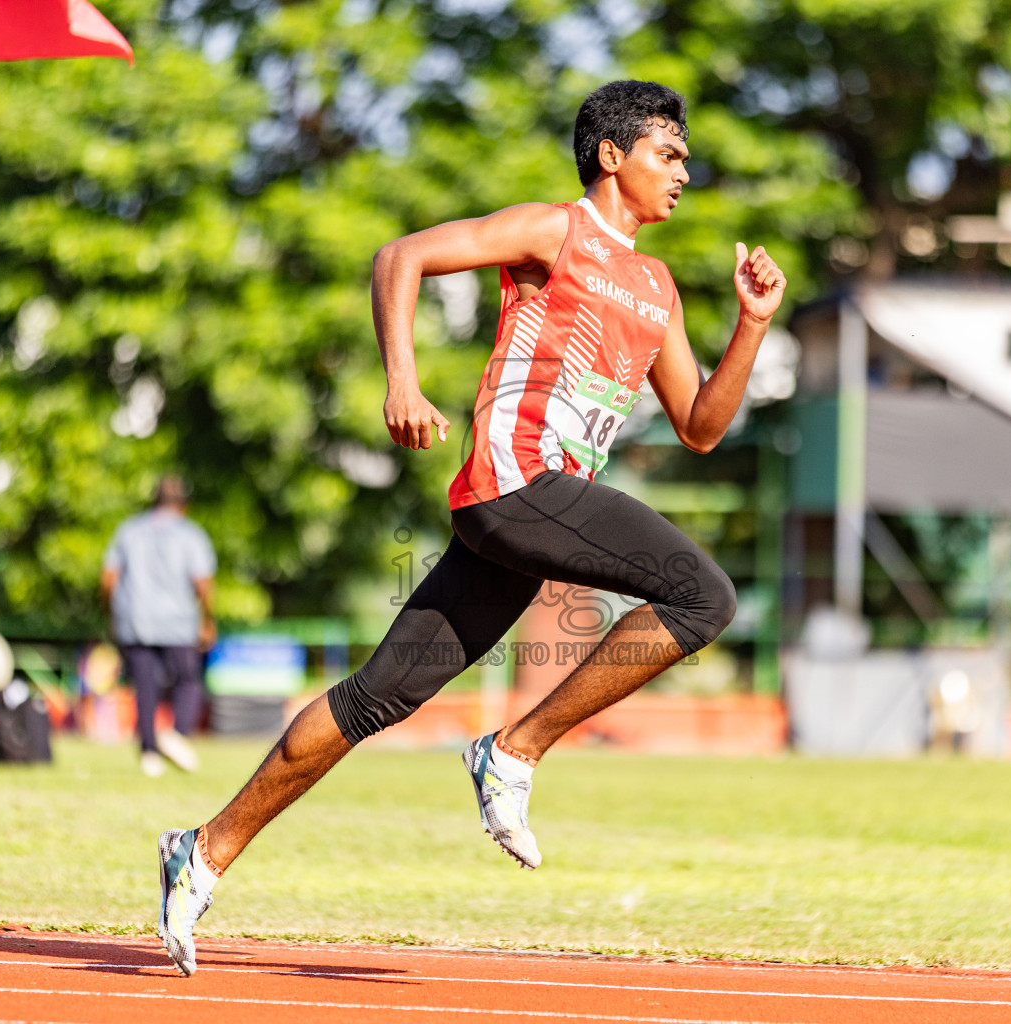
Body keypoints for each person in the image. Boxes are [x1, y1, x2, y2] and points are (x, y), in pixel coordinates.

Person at [155, 80, 786, 976]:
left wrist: (753, 327)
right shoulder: (553, 231)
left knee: (377, 696)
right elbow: (399, 255)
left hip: (530, 517)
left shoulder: (658, 288)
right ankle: (512, 750)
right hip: (514, 484)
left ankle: (202, 850)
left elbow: (701, 427)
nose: (685, 170)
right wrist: (402, 383)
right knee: (703, 595)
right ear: (612, 156)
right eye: (668, 152)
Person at [102, 475, 217, 777]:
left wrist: (113, 615)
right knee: (187, 680)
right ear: (184, 504)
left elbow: (108, 578)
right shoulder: (191, 534)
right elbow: (203, 582)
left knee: (145, 686)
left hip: (136, 620)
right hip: (178, 623)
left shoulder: (129, 530)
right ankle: (177, 735)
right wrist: (207, 619)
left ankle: (149, 754)